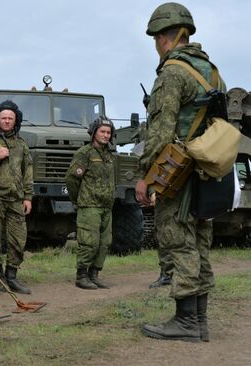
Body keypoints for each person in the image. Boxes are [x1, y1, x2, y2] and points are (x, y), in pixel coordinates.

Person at [136, 2, 222, 342]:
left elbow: (160, 131)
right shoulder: (212, 72)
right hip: (207, 172)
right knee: (200, 243)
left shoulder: (172, 72)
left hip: (178, 174)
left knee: (178, 241)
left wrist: (146, 177)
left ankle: (186, 323)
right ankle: (199, 321)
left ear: (163, 38)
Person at [0, 100, 33, 294]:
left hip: (15, 198)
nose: (7, 121)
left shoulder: (21, 144)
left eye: (11, 118)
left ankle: (12, 276)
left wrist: (28, 197)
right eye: (4, 118)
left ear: (16, 120)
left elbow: (27, 171)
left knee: (18, 239)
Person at [65, 116, 115, 290]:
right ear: (94, 132)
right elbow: (72, 179)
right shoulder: (84, 153)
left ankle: (94, 275)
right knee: (89, 242)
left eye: (109, 132)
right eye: (102, 131)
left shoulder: (109, 155)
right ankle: (82, 276)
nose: (106, 135)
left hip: (106, 207)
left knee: (105, 242)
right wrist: (78, 199)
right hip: (89, 205)